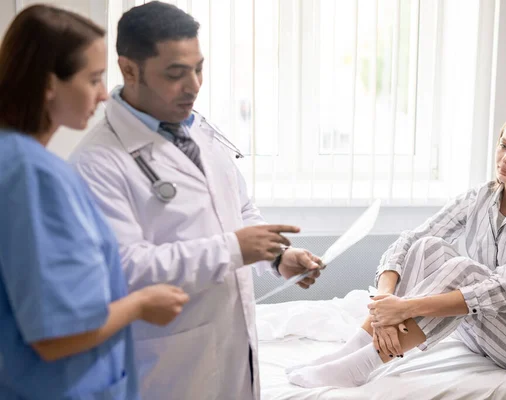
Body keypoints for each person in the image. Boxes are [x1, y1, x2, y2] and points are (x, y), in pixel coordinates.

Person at [69, 2, 322, 399]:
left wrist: (274, 257)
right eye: (175, 73)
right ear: (129, 69)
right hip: (167, 362)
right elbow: (124, 267)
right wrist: (234, 249)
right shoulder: (97, 162)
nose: (194, 86)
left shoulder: (198, 129)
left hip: (233, 345)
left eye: (198, 68)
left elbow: (239, 210)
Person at [287, 109, 506, 388]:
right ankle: (354, 349)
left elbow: (504, 289)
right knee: (427, 247)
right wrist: (385, 300)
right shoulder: (481, 197)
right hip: (485, 333)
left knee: (466, 271)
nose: (505, 159)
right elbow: (409, 240)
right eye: (503, 145)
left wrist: (404, 309)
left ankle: (360, 365)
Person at [0, 5, 190, 399]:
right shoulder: (33, 174)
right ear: (48, 83)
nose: (104, 94)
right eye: (94, 79)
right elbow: (57, 336)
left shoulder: (12, 159)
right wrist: (141, 303)